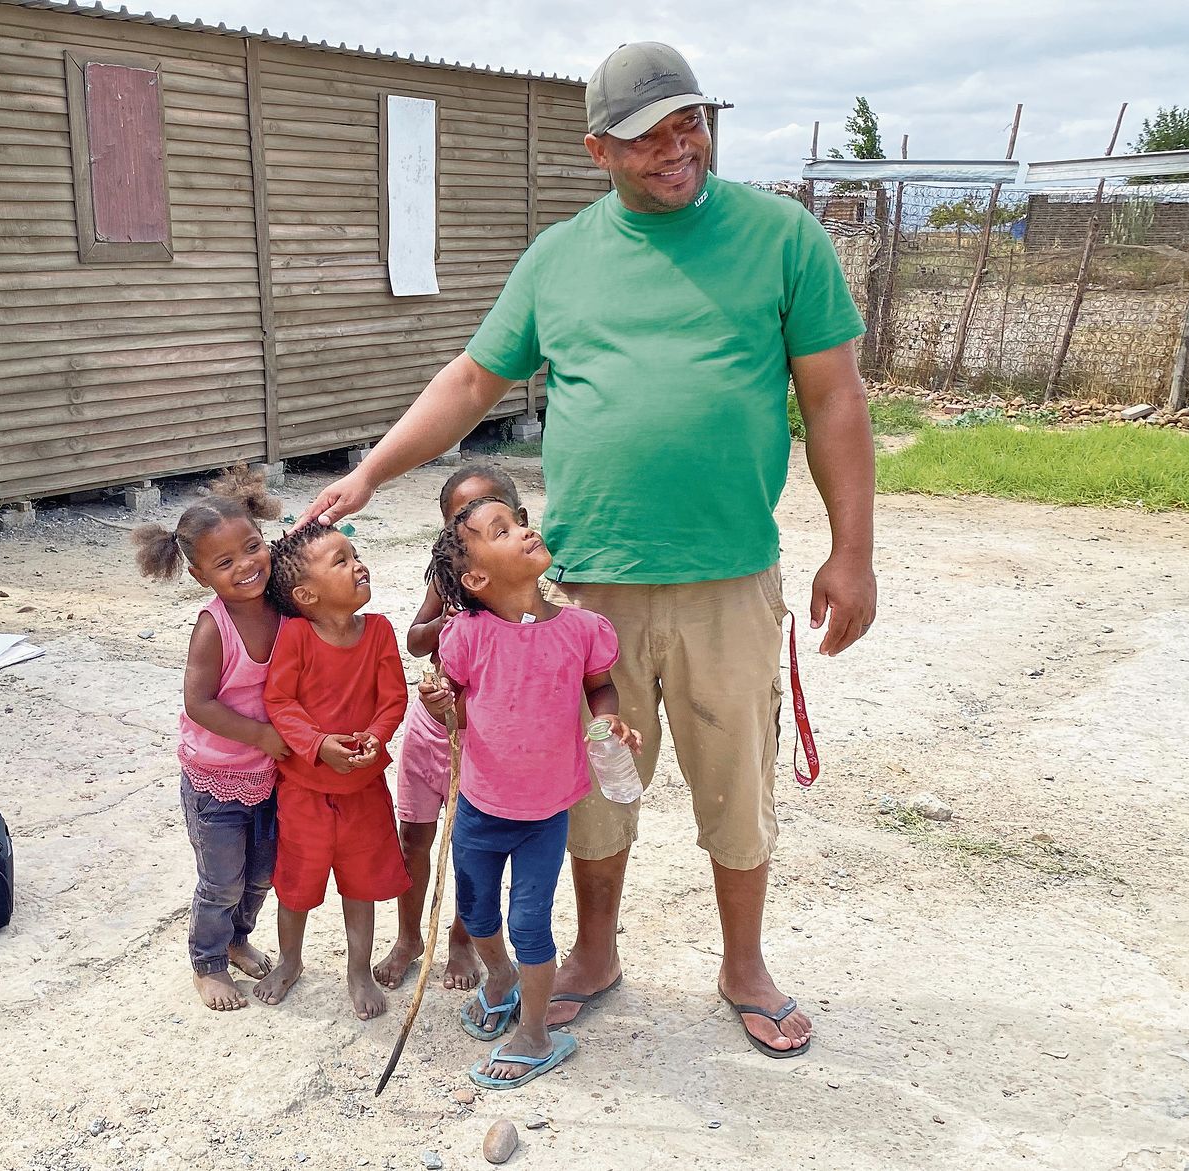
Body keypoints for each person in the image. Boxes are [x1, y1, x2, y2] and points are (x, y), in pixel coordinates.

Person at [300, 41, 878, 1057]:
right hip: (582, 592)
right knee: (588, 788)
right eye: (646, 135)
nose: (675, 148)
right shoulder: (560, 258)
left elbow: (833, 398)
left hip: (727, 579)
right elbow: (472, 381)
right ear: (598, 151)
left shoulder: (780, 237)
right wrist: (373, 471)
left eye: (688, 123)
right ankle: (597, 952)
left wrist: (852, 551)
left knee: (735, 782)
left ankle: (743, 963)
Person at [423, 495, 640, 1089]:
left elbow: (602, 689)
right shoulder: (466, 636)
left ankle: (536, 1032)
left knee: (530, 924)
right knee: (476, 910)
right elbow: (462, 715)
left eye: (518, 521)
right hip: (479, 803)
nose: (525, 530)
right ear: (476, 578)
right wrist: (443, 703)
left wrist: (606, 722)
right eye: (502, 530)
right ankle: (500, 979)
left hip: (545, 812)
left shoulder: (580, 628)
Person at [134, 470, 288, 1012]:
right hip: (216, 777)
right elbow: (199, 703)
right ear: (202, 577)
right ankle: (208, 962)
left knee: (263, 874)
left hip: (271, 774)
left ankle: (238, 938)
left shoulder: (283, 605)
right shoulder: (213, 627)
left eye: (252, 548)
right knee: (221, 879)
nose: (246, 565)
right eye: (225, 563)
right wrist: (263, 735)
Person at [372, 464, 525, 994]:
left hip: (484, 738)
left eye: (489, 515)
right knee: (413, 837)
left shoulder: (527, 590)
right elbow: (416, 639)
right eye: (458, 521)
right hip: (431, 728)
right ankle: (409, 937)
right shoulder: (448, 580)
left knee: (471, 846)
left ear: (517, 519)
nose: (472, 526)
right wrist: (452, 619)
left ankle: (463, 941)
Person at [254, 523, 411, 1020]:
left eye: (355, 554)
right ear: (306, 594)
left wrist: (375, 738)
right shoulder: (297, 635)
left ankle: (358, 971)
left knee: (360, 886)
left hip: (365, 788)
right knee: (296, 886)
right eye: (340, 561)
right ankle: (291, 961)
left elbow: (393, 699)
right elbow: (279, 700)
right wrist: (319, 745)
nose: (358, 564)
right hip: (304, 790)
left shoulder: (381, 631)